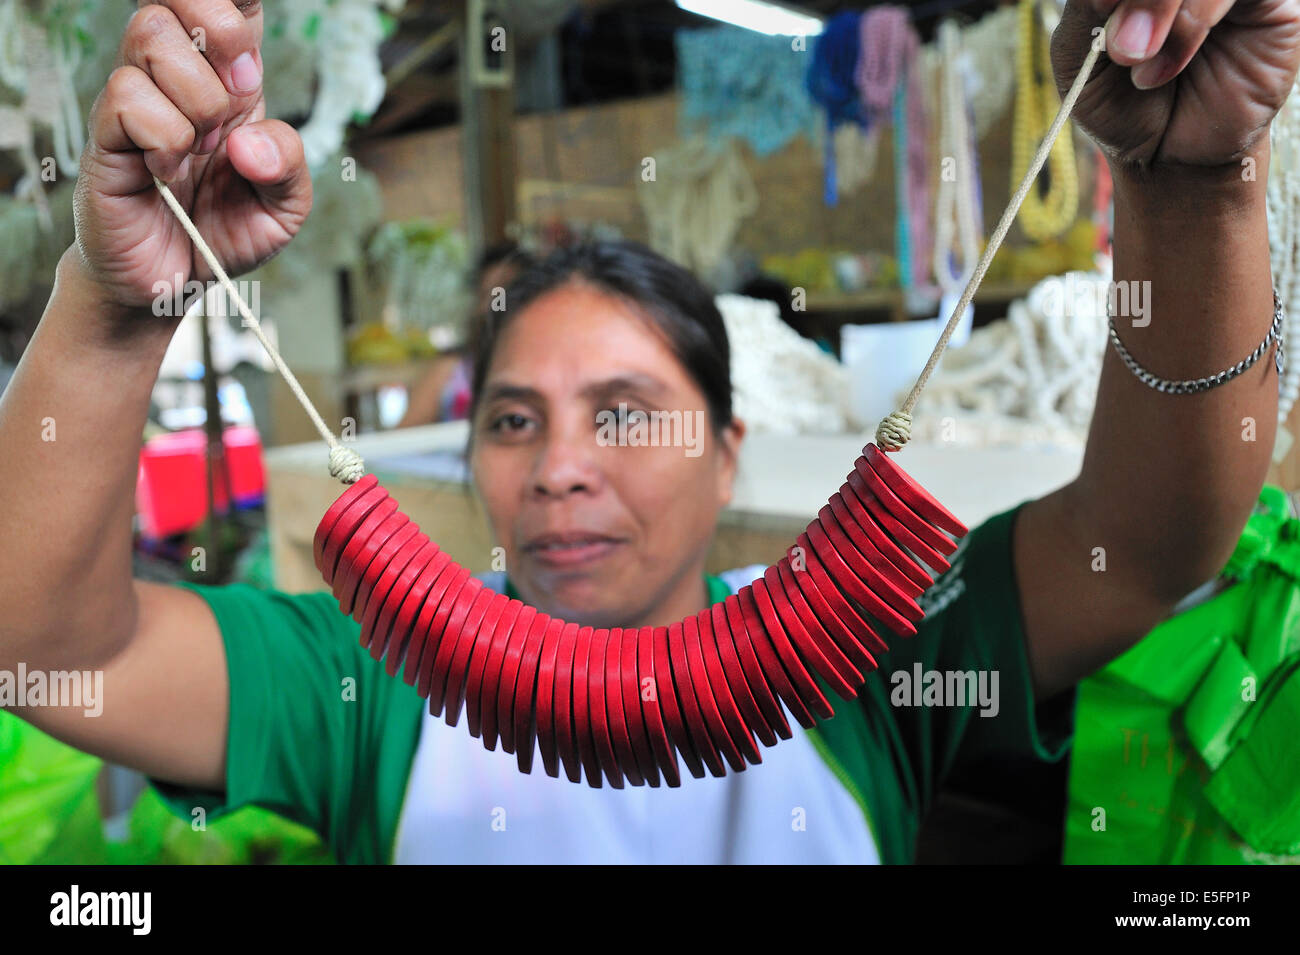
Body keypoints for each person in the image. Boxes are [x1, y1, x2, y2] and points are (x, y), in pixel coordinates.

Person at [1, 0, 1296, 863]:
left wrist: (1192, 182)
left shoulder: (872, 646)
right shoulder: (371, 680)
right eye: (514, 418)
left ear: (729, 448)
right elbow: (45, 650)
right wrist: (118, 306)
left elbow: (1149, 545)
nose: (562, 464)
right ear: (473, 462)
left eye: (625, 411)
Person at [397, 241, 535, 428]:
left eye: (505, 292)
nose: (496, 305)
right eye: (487, 294)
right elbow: (402, 441)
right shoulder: (449, 370)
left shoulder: (547, 367)